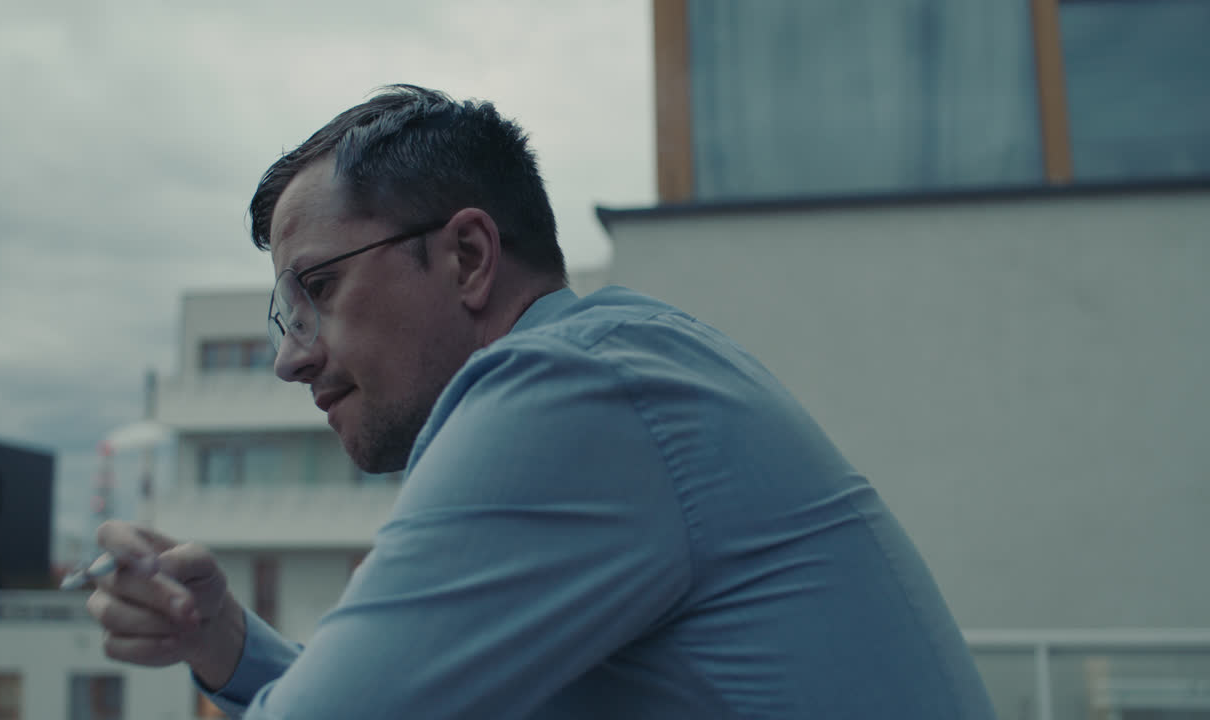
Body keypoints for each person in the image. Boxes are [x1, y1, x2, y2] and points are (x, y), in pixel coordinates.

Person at [88, 84, 997, 718]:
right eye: (285, 312)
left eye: (318, 289)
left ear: (469, 258)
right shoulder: (621, 368)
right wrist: (221, 639)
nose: (291, 358)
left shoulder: (566, 393)